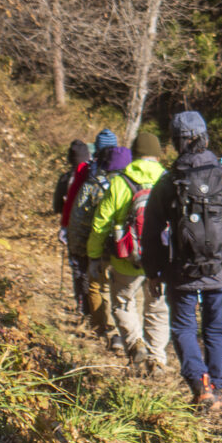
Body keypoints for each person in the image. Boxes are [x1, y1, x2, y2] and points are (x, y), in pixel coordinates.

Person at [143, 110, 222, 412]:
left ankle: (200, 386)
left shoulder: (169, 181)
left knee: (184, 329)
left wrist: (153, 272)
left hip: (181, 270)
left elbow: (152, 230)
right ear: (205, 136)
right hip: (219, 268)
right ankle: (217, 386)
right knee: (216, 329)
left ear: (176, 142)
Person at [88, 128, 168, 371]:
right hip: (161, 258)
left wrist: (93, 257)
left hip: (125, 257)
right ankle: (157, 359)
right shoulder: (168, 180)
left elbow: (101, 223)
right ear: (157, 154)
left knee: (123, 303)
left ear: (134, 155)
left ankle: (135, 345)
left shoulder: (121, 182)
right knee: (157, 306)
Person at [63, 129, 123, 336]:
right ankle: (116, 329)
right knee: (118, 288)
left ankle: (99, 324)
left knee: (95, 283)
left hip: (93, 238)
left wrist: (73, 239)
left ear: (96, 148)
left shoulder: (89, 173)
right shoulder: (128, 173)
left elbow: (76, 208)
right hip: (124, 240)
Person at [56, 137, 92, 317]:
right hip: (94, 229)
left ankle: (82, 304)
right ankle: (93, 308)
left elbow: (56, 206)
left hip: (72, 228)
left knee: (78, 267)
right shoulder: (94, 175)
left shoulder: (66, 178)